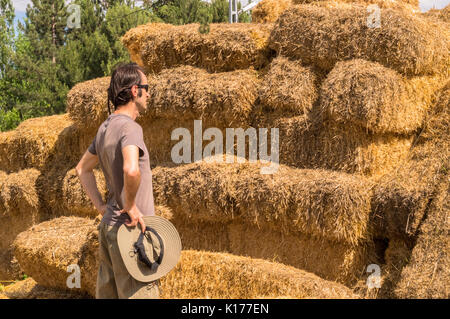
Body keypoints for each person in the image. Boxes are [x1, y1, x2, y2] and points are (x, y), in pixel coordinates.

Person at [75, 62, 159, 299]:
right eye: (146, 87)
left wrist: (101, 207)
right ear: (135, 90)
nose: (149, 93)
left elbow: (82, 169)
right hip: (131, 233)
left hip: (109, 229)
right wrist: (131, 206)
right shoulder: (130, 128)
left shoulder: (105, 128)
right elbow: (131, 170)